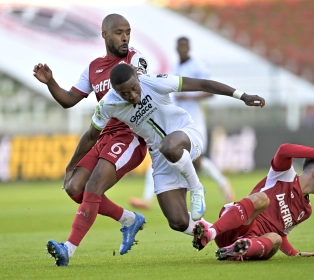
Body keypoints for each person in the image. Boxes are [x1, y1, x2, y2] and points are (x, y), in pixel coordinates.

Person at [67, 63, 265, 257]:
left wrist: (242, 96)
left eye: (134, 88)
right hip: (160, 157)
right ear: (115, 91)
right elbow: (91, 136)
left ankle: (196, 188)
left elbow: (203, 85)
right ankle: (222, 235)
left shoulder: (155, 82)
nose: (133, 96)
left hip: (185, 135)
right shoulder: (108, 104)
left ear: (138, 78)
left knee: (169, 146)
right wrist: (71, 166)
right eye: (125, 94)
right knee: (177, 221)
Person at [32, 14, 150, 266]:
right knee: (75, 188)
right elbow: (68, 100)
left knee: (94, 185)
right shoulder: (93, 68)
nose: (125, 37)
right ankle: (129, 219)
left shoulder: (135, 59)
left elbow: (143, 89)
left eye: (128, 31)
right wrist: (51, 82)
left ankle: (68, 249)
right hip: (103, 136)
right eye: (119, 32)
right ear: (105, 35)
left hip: (129, 136)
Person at [129, 36, 234, 210]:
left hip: (194, 120)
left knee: (198, 161)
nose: (182, 49)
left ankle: (223, 183)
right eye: (180, 46)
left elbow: (209, 92)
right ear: (176, 48)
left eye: (185, 46)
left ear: (189, 48)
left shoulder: (197, 65)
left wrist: (188, 96)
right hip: (175, 121)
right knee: (160, 152)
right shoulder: (175, 66)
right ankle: (147, 198)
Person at [192, 143, 314, 261]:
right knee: (262, 199)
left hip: (253, 240)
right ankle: (211, 232)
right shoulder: (285, 175)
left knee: (276, 239)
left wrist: (294, 254)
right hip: (233, 225)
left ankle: (237, 250)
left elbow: (281, 232)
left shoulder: (306, 211)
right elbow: (285, 149)